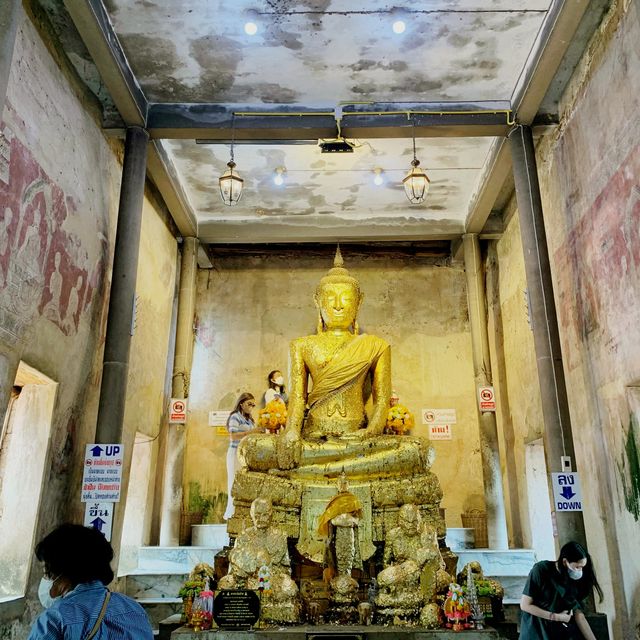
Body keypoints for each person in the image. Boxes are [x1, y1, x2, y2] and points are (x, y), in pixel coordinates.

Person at [238, 248, 431, 478]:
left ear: (359, 303)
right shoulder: (302, 345)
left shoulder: (376, 346)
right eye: (331, 299)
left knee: (418, 450)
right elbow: (298, 399)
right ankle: (340, 467)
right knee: (250, 448)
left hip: (359, 440)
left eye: (346, 299)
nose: (338, 305)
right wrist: (291, 433)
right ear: (317, 302)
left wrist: (370, 432)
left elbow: (381, 402)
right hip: (314, 438)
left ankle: (316, 470)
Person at [29, 523, 153, 640]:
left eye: (46, 573)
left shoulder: (54, 619)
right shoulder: (134, 609)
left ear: (62, 573)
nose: (46, 579)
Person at [520, 540, 603, 640]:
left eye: (582, 567)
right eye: (577, 567)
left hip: (556, 632)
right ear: (565, 562)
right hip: (535, 630)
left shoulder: (572, 580)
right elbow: (525, 605)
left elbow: (579, 615)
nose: (580, 571)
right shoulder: (541, 570)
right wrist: (555, 617)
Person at [223, 392, 259, 520]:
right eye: (249, 404)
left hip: (245, 456)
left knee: (245, 485)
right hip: (234, 454)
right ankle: (232, 514)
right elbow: (233, 436)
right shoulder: (235, 417)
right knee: (234, 483)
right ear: (241, 403)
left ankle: (243, 514)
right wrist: (251, 432)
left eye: (253, 405)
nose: (251, 407)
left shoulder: (250, 420)